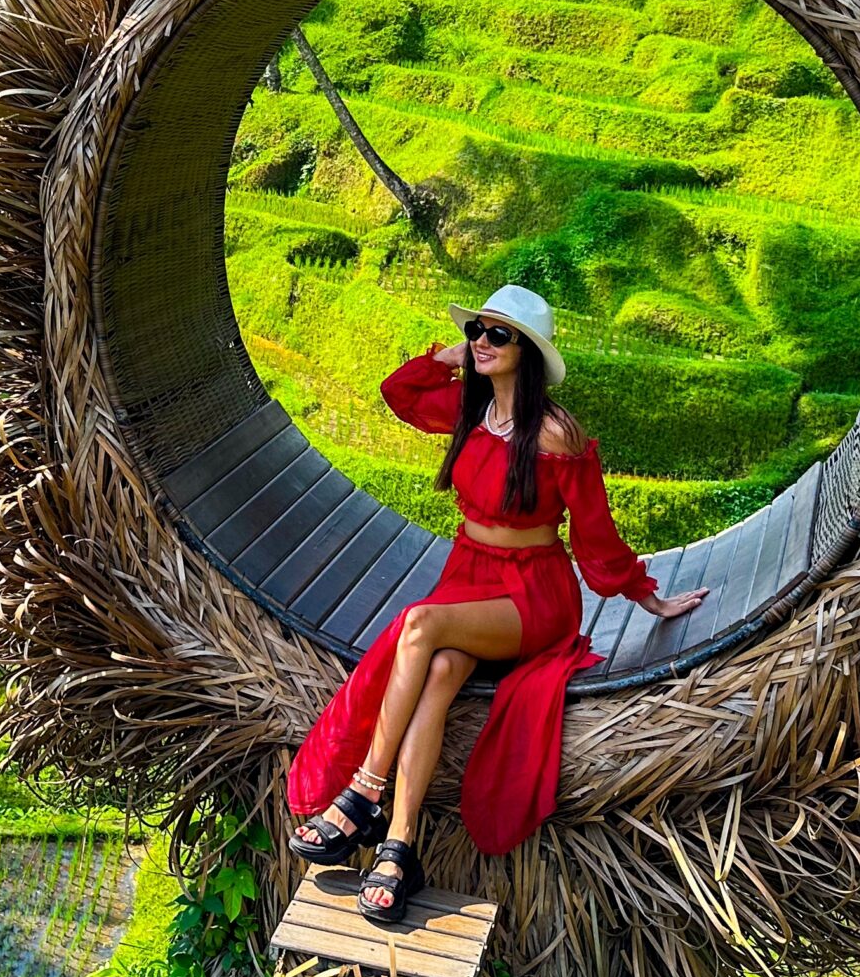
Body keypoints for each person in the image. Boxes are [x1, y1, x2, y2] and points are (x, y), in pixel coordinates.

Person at [284, 286, 710, 924]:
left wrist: (649, 598)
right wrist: (455, 353)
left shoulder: (556, 436)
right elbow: (398, 394)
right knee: (439, 674)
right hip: (468, 578)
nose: (483, 340)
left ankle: (365, 789)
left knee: (419, 625)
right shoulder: (469, 412)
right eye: (479, 328)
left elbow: (595, 536)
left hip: (531, 596)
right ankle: (398, 846)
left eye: (498, 335)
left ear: (528, 353)